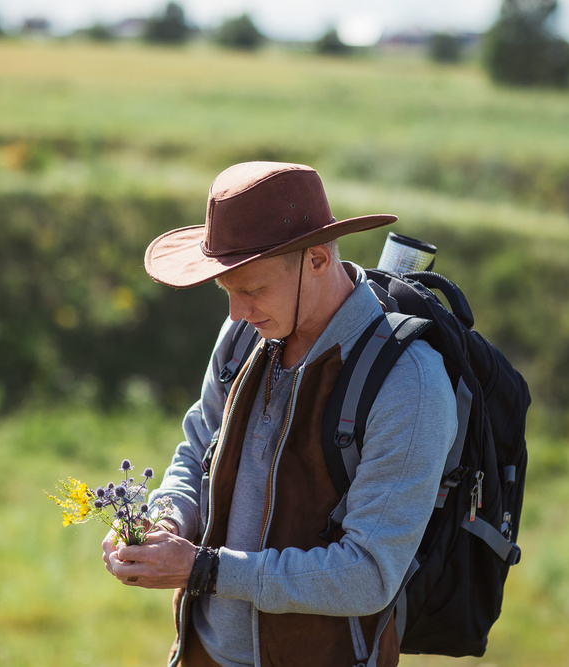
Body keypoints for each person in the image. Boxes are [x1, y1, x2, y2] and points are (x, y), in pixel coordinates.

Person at [102, 161, 458, 667]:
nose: (235, 313)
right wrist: (162, 523)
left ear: (316, 259)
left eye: (251, 289)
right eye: (227, 291)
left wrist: (203, 570)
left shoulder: (409, 383)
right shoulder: (244, 335)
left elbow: (369, 575)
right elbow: (197, 450)